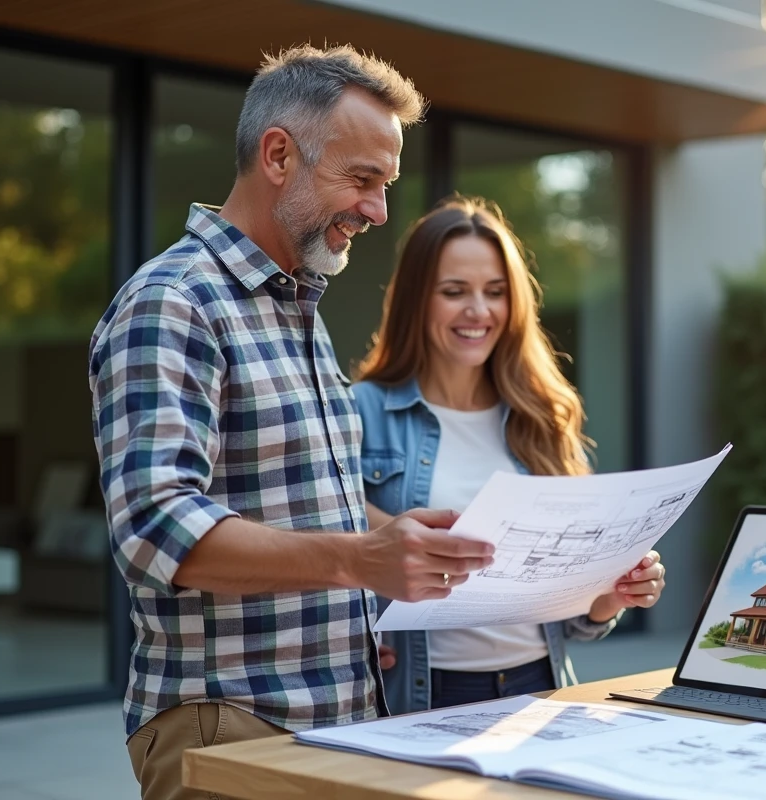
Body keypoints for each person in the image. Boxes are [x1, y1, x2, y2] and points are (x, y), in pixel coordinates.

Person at [88, 47, 495, 800]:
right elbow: (155, 526)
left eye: (385, 185)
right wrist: (359, 559)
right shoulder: (173, 303)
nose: (377, 210)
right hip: (233, 722)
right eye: (361, 180)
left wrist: (410, 540)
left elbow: (308, 500)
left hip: (333, 719)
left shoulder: (294, 308)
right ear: (279, 155)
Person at [351, 196, 668, 713]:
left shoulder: (542, 415)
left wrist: (614, 593)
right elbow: (329, 544)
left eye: (495, 292)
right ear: (416, 300)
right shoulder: (360, 411)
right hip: (423, 692)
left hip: (541, 688)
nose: (479, 311)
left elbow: (577, 621)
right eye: (455, 292)